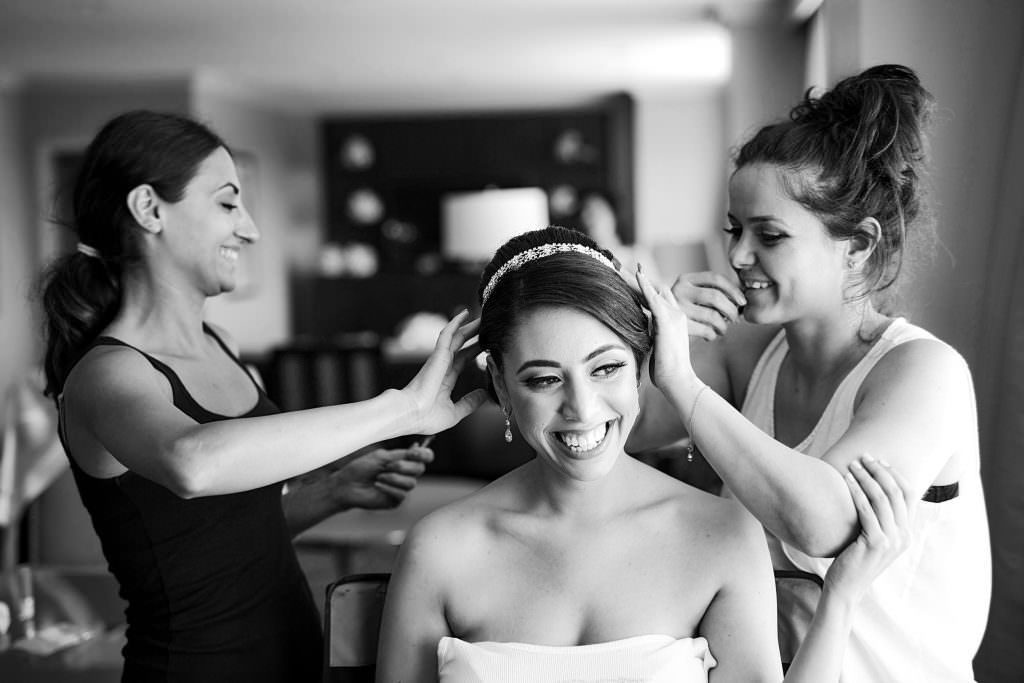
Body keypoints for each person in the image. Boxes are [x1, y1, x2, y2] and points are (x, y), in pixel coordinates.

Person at [37, 110, 486, 682]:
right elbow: (192, 464)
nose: (249, 229)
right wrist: (403, 407)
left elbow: (218, 537)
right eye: (227, 203)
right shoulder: (105, 376)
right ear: (150, 210)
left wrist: (330, 493)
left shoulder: (220, 344)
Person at [376, 226, 916, 683]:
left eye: (606, 367)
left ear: (642, 368)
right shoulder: (439, 548)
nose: (582, 409)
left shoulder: (723, 534)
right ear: (500, 384)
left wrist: (838, 603)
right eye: (543, 379)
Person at [627, 64, 991, 681]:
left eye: (769, 235)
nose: (739, 256)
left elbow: (823, 523)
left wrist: (685, 385)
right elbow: (621, 431)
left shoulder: (925, 372)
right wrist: (654, 336)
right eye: (734, 230)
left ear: (859, 245)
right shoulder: (749, 353)